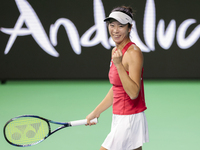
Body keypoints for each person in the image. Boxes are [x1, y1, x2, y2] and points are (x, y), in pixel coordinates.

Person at [86, 6, 149, 150]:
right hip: (119, 115)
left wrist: (119, 65)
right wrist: (96, 112)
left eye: (121, 26)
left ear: (129, 28)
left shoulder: (133, 53)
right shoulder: (115, 51)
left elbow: (133, 93)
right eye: (112, 25)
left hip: (129, 118)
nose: (115, 30)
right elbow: (117, 89)